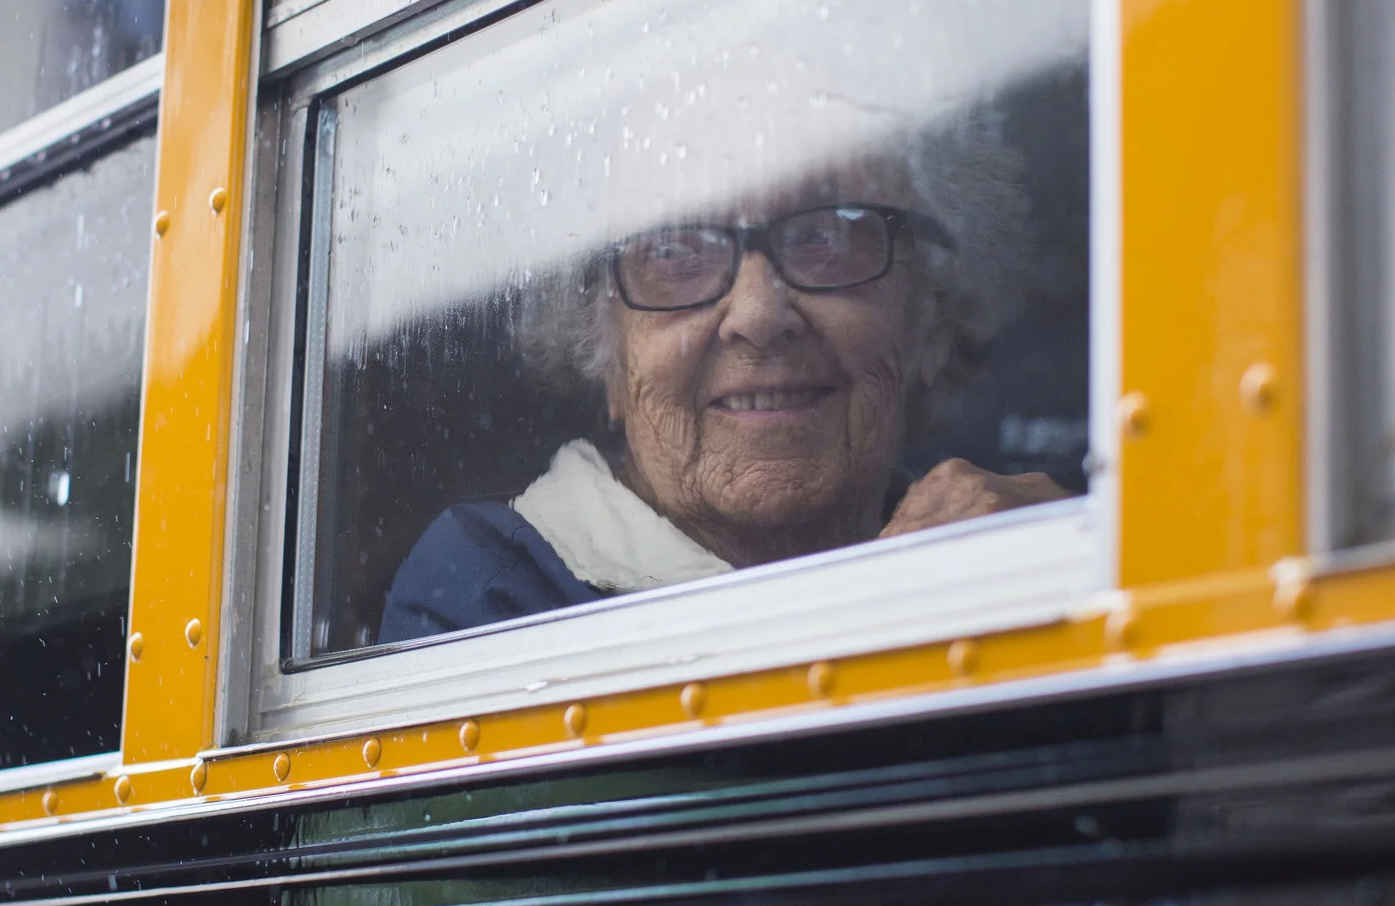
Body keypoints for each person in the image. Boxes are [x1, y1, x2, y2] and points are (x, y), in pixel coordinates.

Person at [380, 136, 1068, 641]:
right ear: (604, 355)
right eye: (674, 251)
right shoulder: (486, 591)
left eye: (829, 235)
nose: (759, 316)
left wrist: (1065, 580)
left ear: (933, 321)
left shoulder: (997, 536)